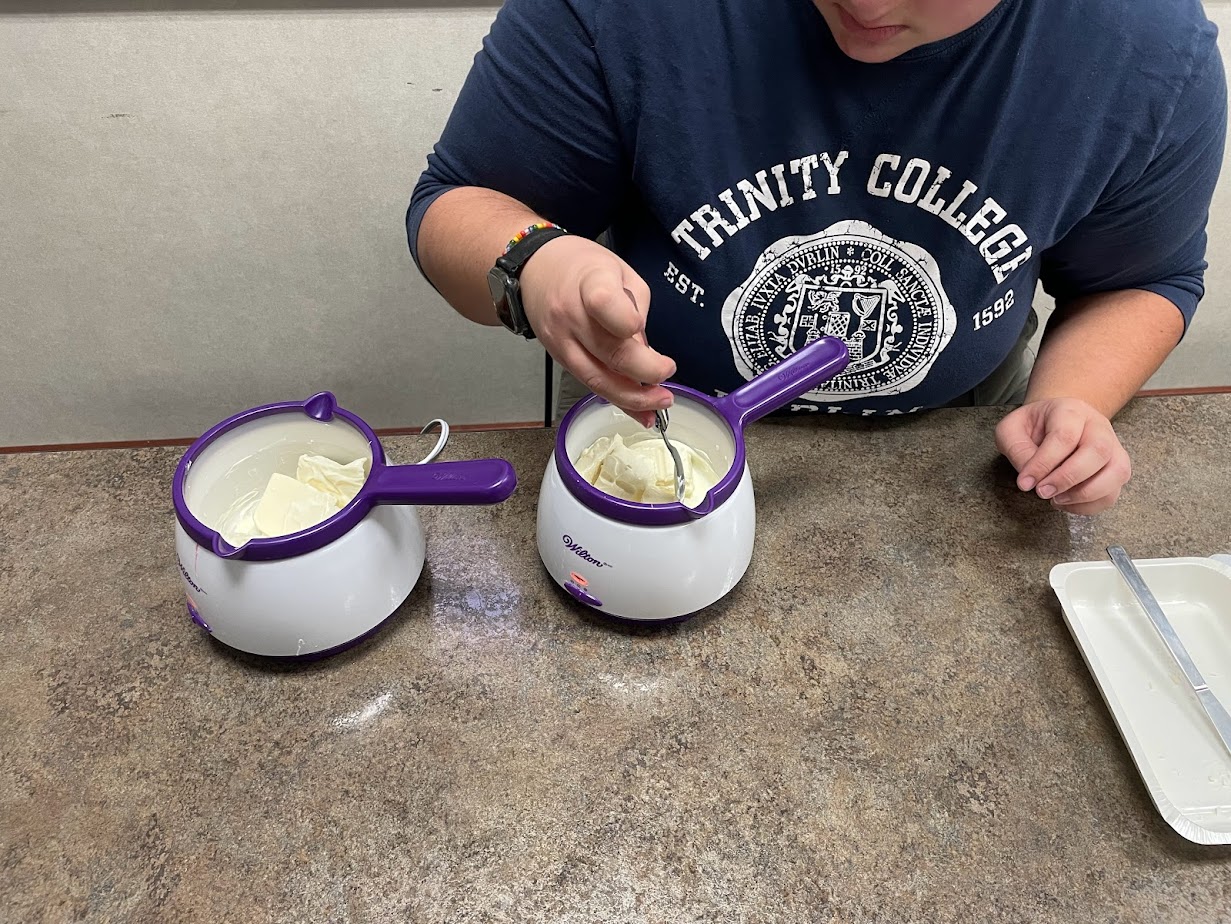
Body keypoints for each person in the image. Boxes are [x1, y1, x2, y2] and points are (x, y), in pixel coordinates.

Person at [407, 0, 1226, 516]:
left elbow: (1139, 280)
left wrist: (1072, 405)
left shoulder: (1145, 47)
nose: (865, 5)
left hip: (956, 446)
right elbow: (457, 203)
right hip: (644, 427)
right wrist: (534, 262)